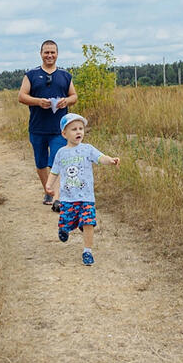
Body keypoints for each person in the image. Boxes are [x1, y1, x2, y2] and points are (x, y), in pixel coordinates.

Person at [47, 113, 119, 266]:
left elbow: (100, 158)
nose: (78, 132)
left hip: (86, 197)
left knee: (88, 222)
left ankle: (87, 251)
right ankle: (64, 228)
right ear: (64, 133)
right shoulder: (61, 153)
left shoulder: (88, 149)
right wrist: (49, 184)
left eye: (81, 128)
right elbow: (55, 171)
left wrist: (110, 160)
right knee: (67, 220)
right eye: (74, 129)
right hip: (67, 198)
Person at [18, 40, 77, 205]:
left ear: (57, 54)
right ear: (41, 54)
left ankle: (58, 197)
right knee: (41, 163)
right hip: (37, 127)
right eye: (46, 52)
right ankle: (48, 191)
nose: (49, 55)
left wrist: (66, 101)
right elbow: (21, 96)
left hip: (60, 128)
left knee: (57, 161)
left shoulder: (65, 75)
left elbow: (74, 96)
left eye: (53, 52)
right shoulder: (31, 75)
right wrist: (37, 102)